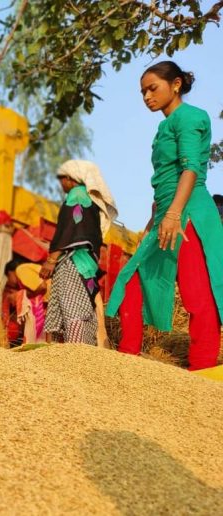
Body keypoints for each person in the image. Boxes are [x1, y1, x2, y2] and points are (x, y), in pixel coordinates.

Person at [106, 61, 223, 371]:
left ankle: (203, 367)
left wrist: (173, 214)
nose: (146, 96)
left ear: (176, 84)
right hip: (167, 214)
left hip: (190, 214)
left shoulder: (190, 117)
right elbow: (164, 181)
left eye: (152, 88)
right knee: (131, 278)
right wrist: (153, 222)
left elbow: (190, 169)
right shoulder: (163, 126)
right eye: (142, 91)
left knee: (197, 293)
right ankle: (127, 357)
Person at [40, 160, 117, 345]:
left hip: (74, 262)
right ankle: (77, 353)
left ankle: (75, 353)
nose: (61, 184)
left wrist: (51, 259)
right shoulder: (91, 200)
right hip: (87, 265)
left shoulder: (77, 195)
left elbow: (69, 228)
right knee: (79, 307)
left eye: (62, 180)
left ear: (70, 178)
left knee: (73, 310)